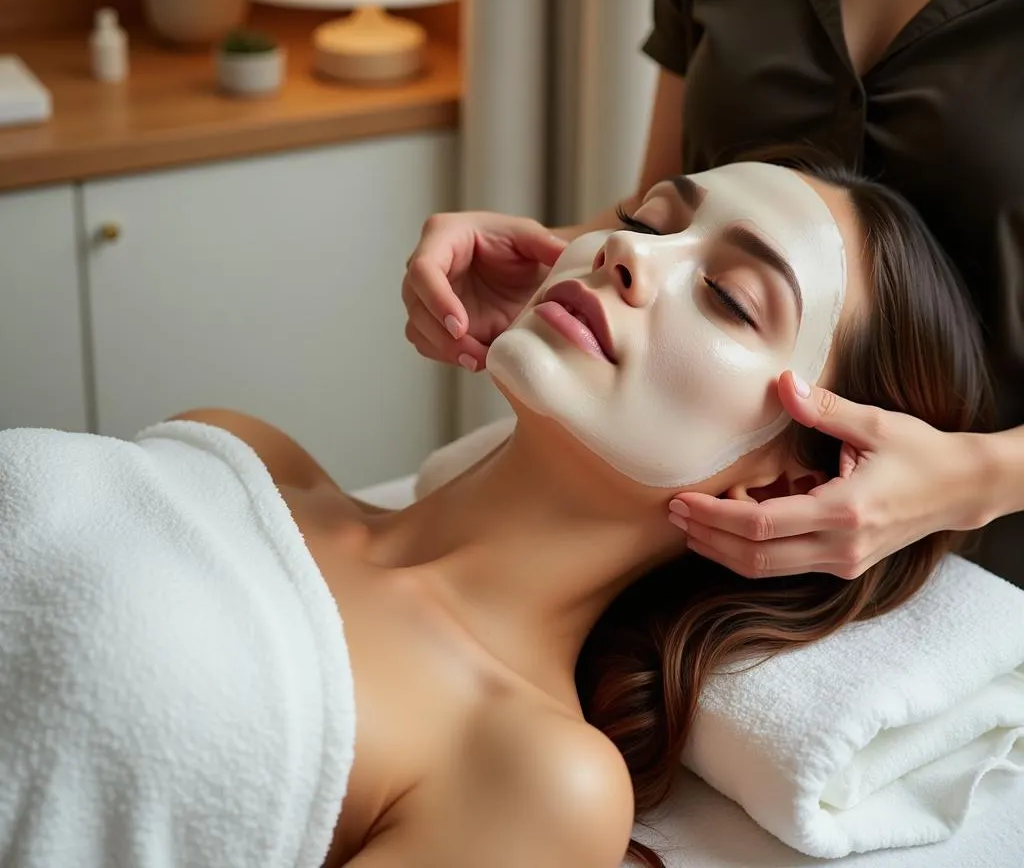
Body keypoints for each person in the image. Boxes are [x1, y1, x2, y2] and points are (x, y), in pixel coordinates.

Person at [1, 158, 990, 868]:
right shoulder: (240, 448)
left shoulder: (538, 778)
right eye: (646, 219)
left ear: (789, 486)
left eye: (731, 298)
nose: (620, 256)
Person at [401, 0, 1024, 589]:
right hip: (697, 555)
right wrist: (548, 255)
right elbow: (662, 196)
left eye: (734, 301)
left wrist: (981, 476)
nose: (627, 255)